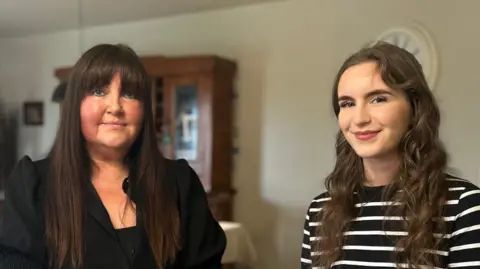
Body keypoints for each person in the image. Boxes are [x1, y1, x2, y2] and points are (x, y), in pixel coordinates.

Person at [0, 44, 226, 269]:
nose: (115, 106)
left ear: (144, 109)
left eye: (129, 93)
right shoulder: (32, 184)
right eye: (99, 91)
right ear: (74, 106)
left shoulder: (180, 183)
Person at [301, 42, 480, 268]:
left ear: (415, 109)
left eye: (378, 99)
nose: (359, 119)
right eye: (347, 103)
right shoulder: (321, 211)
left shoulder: (464, 207)